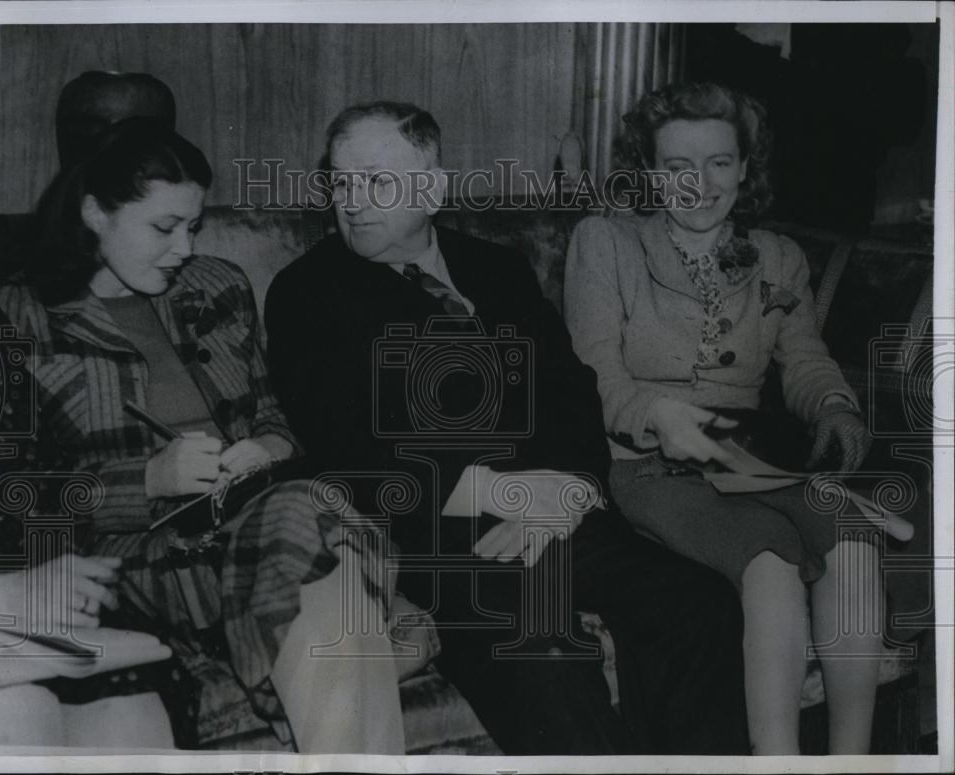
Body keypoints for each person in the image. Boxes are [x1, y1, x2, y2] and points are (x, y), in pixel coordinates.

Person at [264, 100, 751, 755]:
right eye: (341, 181)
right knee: (539, 645)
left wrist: (573, 493)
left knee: (699, 604)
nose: (352, 201)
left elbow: (573, 395)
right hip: (435, 538)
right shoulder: (307, 292)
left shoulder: (498, 268)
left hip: (558, 515)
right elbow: (346, 446)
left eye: (377, 181)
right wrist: (499, 492)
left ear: (432, 188)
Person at [0, 117, 404, 753]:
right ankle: (344, 647)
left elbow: (277, 418)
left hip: (258, 528)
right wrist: (149, 478)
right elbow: (7, 496)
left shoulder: (219, 287)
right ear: (95, 213)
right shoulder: (15, 318)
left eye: (193, 226)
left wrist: (267, 449)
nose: (184, 247)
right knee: (315, 534)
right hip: (135, 562)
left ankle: (304, 664)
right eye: (163, 227)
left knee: (303, 521)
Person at [563, 81, 881, 755]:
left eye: (718, 163)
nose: (699, 184)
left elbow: (805, 361)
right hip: (648, 461)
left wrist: (835, 407)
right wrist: (658, 413)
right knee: (769, 556)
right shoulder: (605, 243)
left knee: (851, 535)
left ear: (745, 167)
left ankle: (854, 760)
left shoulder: (778, 257)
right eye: (677, 166)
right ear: (650, 172)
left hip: (751, 454)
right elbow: (594, 378)